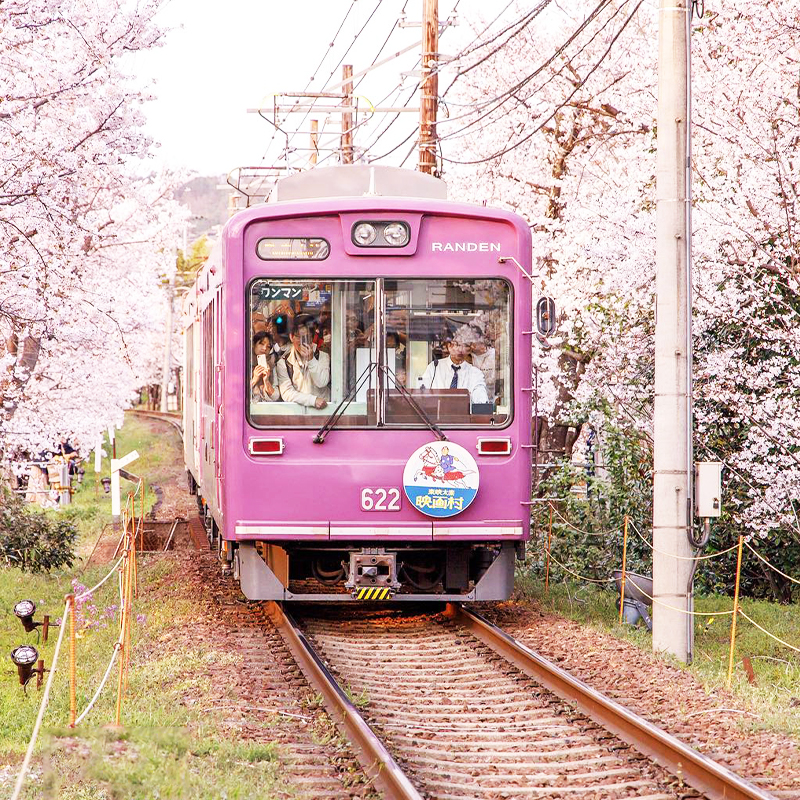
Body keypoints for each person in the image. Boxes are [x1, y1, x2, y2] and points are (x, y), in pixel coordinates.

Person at [275, 314, 330, 409]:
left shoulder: (323, 356)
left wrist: (311, 359)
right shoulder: (284, 363)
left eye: (306, 337)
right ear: (291, 337)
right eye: (299, 337)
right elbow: (287, 393)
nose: (303, 342)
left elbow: (322, 382)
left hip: (323, 412)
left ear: (312, 337)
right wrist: (313, 400)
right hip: (298, 413)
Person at [420, 329, 488, 404]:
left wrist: (481, 400)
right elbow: (421, 395)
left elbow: (481, 398)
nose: (460, 349)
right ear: (449, 346)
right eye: (457, 344)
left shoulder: (475, 373)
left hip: (463, 415)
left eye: (465, 345)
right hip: (435, 414)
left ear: (469, 349)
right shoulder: (434, 367)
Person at [250, 331, 281, 402]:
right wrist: (254, 379)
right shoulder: (244, 363)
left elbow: (276, 396)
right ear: (254, 344)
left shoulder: (271, 366)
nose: (264, 348)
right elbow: (237, 393)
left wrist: (266, 381)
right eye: (261, 344)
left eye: (268, 346)